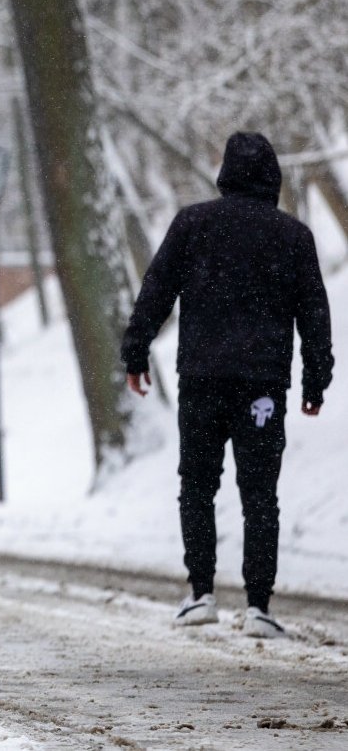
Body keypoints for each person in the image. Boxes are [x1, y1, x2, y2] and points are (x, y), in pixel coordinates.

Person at [122, 131, 333, 639]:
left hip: (202, 379)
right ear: (273, 177)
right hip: (262, 384)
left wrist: (135, 351)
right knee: (260, 492)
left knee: (197, 484)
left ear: (225, 174)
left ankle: (202, 593)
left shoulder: (193, 225)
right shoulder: (292, 236)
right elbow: (314, 313)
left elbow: (156, 291)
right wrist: (315, 379)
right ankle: (259, 605)